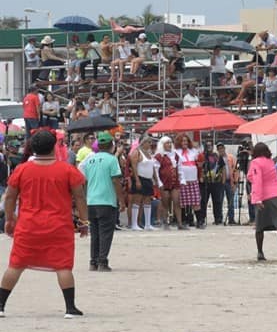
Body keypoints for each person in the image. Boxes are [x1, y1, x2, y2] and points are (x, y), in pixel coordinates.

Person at [0, 130, 88, 319]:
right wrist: (84, 221)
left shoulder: (22, 169)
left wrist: (9, 219)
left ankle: (0, 305)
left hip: (28, 225)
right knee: (63, 266)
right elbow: (80, 197)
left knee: (16, 265)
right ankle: (70, 308)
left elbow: (10, 197)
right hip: (59, 226)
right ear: (54, 147)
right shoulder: (67, 170)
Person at [82, 131, 125, 272]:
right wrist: (122, 200)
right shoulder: (112, 159)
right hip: (106, 201)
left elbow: (84, 180)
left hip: (91, 201)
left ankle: (93, 262)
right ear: (111, 145)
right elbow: (116, 180)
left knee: (95, 234)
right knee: (106, 233)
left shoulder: (89, 160)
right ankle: (102, 262)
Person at [247, 143, 277, 262]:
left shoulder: (255, 162)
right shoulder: (270, 161)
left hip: (263, 195)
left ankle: (260, 252)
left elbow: (257, 180)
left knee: (259, 226)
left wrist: (257, 198)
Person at [129, 135, 158, 231]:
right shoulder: (136, 152)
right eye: (148, 142)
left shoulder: (149, 153)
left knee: (147, 201)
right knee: (137, 200)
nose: (150, 144)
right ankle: (134, 224)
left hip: (148, 179)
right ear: (143, 142)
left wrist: (156, 179)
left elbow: (152, 167)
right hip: (140, 178)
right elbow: (134, 166)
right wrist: (137, 180)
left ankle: (148, 224)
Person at [154, 137, 182, 230]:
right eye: (167, 143)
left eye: (170, 142)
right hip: (164, 182)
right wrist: (159, 183)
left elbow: (180, 169)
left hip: (175, 182)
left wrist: (182, 180)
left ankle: (179, 223)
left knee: (177, 202)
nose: (169, 144)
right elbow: (156, 171)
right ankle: (165, 222)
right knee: (165, 203)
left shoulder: (176, 155)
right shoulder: (159, 156)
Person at [175, 134, 199, 230]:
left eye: (186, 141)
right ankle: (183, 220)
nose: (184, 143)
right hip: (182, 180)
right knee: (182, 202)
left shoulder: (193, 152)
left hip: (193, 179)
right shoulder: (176, 152)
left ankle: (199, 220)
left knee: (196, 201)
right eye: (183, 141)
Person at [199, 142, 225, 226]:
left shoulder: (217, 156)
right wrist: (201, 176)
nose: (209, 147)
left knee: (217, 201)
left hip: (216, 182)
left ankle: (218, 218)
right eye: (207, 146)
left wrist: (223, 180)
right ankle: (202, 218)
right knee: (203, 201)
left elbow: (223, 167)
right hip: (205, 182)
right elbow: (200, 168)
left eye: (210, 145)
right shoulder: (202, 156)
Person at [216, 142, 237, 225]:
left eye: (222, 148)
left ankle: (231, 218)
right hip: (220, 182)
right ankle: (219, 218)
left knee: (230, 200)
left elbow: (235, 169)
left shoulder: (230, 157)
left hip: (229, 181)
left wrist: (235, 182)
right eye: (219, 149)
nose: (221, 150)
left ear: (224, 148)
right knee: (219, 200)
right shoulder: (217, 158)